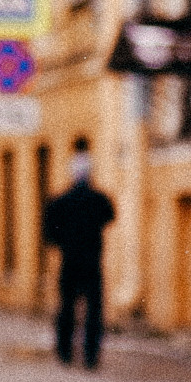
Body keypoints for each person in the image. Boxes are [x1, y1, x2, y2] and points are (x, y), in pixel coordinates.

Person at [42, 136, 116, 369]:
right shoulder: (99, 200)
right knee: (93, 311)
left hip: (70, 262)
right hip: (92, 262)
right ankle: (90, 355)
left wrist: (65, 240)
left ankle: (65, 352)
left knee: (67, 308)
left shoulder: (61, 202)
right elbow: (110, 217)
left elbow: (49, 235)